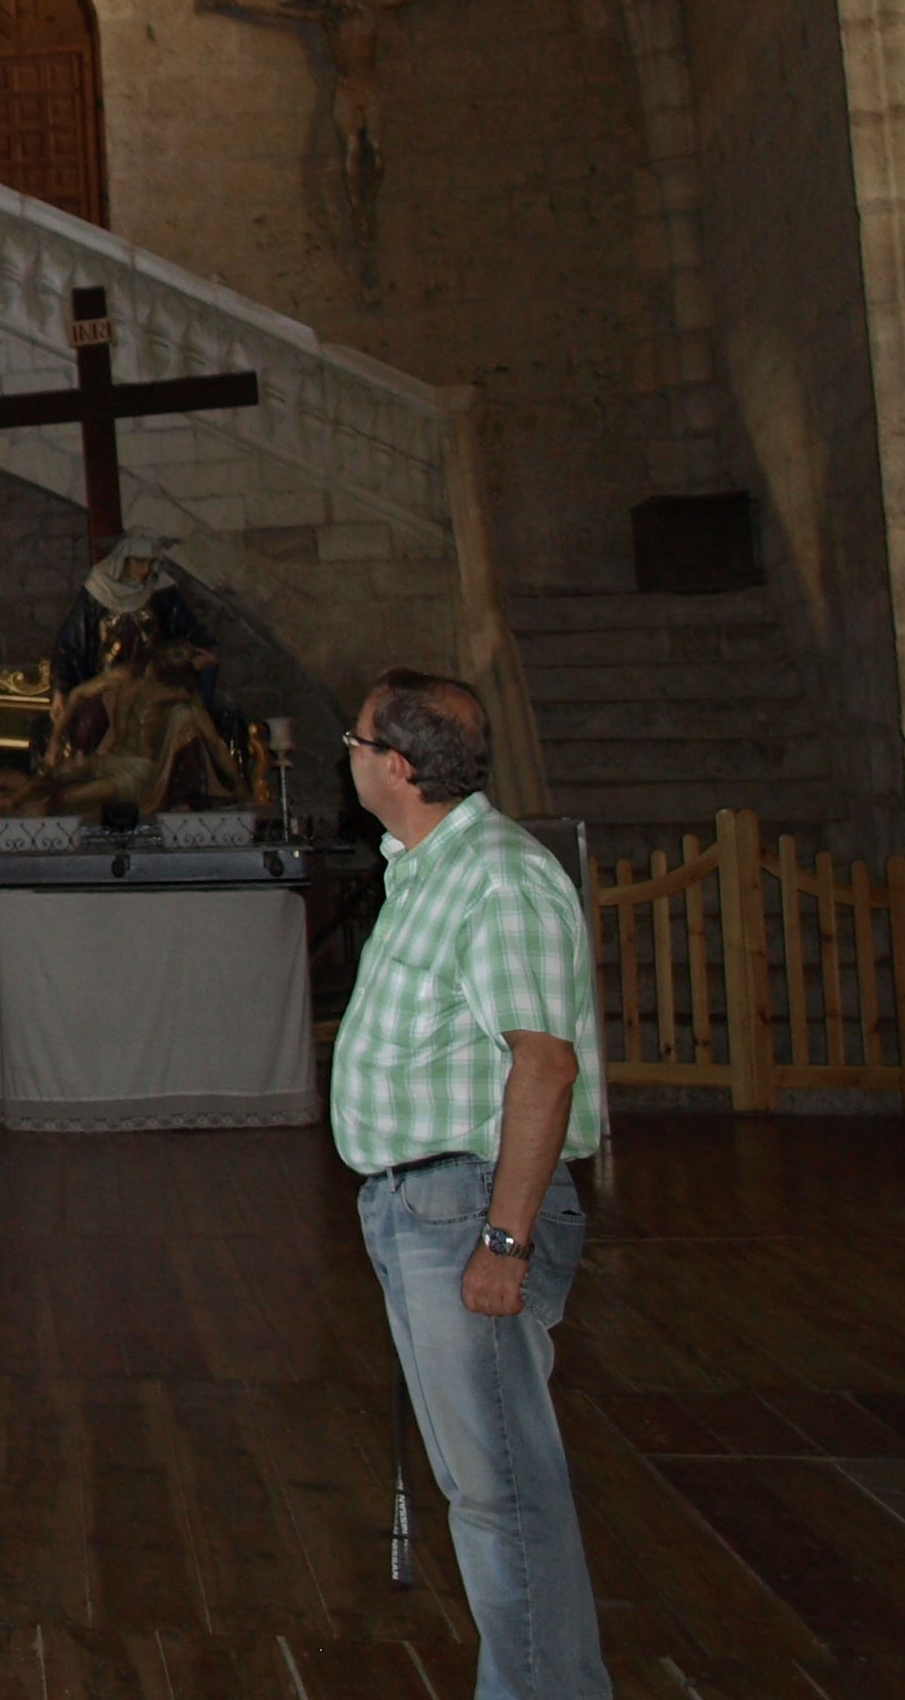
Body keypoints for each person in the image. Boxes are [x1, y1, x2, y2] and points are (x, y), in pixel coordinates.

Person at [333, 668, 610, 1699]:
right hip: (423, 1206)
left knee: (504, 1492)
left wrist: (505, 1239)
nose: (348, 755)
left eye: (356, 741)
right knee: (478, 1484)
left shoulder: (498, 878)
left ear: (396, 766)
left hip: (470, 1212)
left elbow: (543, 1062)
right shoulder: (428, 866)